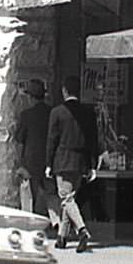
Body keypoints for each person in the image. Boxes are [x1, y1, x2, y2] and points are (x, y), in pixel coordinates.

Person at [44, 86, 99, 252]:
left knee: (66, 198)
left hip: (63, 160)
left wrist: (48, 163)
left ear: (64, 91)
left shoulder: (57, 112)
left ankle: (82, 231)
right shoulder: (88, 112)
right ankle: (62, 237)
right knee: (70, 199)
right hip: (80, 160)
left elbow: (52, 139)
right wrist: (91, 164)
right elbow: (93, 139)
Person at [10, 78, 51, 218]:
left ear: (30, 97)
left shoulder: (26, 115)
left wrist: (20, 163)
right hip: (49, 159)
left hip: (31, 160)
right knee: (50, 196)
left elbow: (19, 141)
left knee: (29, 196)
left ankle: (31, 221)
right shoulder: (51, 113)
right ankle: (53, 220)